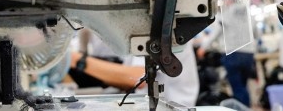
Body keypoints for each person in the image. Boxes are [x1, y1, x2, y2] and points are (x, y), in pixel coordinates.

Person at [69, 29, 199, 107]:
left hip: (173, 105)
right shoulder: (131, 33)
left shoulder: (154, 28)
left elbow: (137, 78)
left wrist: (75, 59)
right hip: (149, 102)